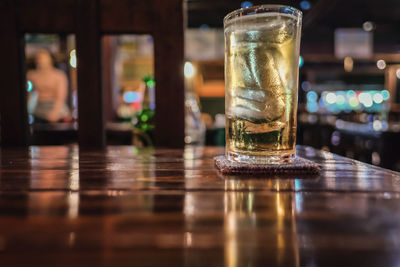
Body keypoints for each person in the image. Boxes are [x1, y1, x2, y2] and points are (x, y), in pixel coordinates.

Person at [27, 49, 70, 123]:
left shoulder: (59, 75)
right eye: (38, 58)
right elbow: (29, 95)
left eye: (43, 58)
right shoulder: (31, 75)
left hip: (56, 107)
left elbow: (61, 97)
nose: (40, 60)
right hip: (38, 108)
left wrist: (55, 113)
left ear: (50, 59)